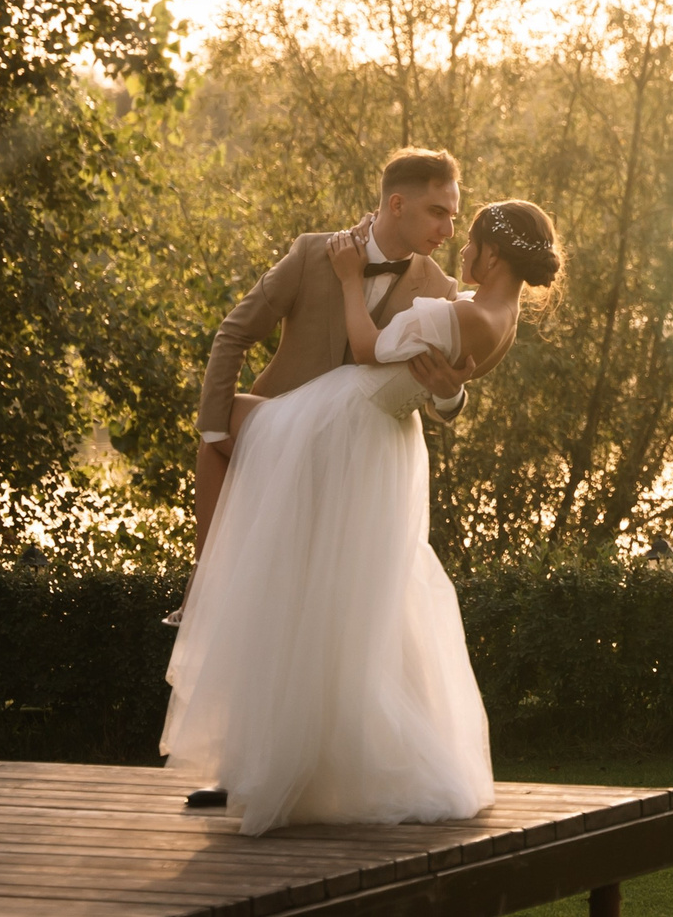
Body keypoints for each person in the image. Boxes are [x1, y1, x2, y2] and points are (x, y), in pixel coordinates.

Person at [161, 198, 562, 835]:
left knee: (219, 431)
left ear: (493, 253)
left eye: (471, 238)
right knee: (343, 609)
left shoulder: (452, 307)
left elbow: (367, 346)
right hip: (383, 446)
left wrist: (351, 280)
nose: (458, 246)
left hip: (343, 423)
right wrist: (449, 387)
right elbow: (448, 377)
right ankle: (276, 768)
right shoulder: (500, 316)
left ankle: (204, 583)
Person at [187, 148, 467, 557]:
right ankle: (199, 585)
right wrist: (216, 431)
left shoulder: (441, 292)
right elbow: (234, 333)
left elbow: (445, 398)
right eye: (438, 212)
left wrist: (449, 394)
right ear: (397, 204)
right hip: (277, 441)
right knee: (216, 440)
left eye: (454, 216)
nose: (449, 230)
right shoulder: (311, 255)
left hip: (359, 471)